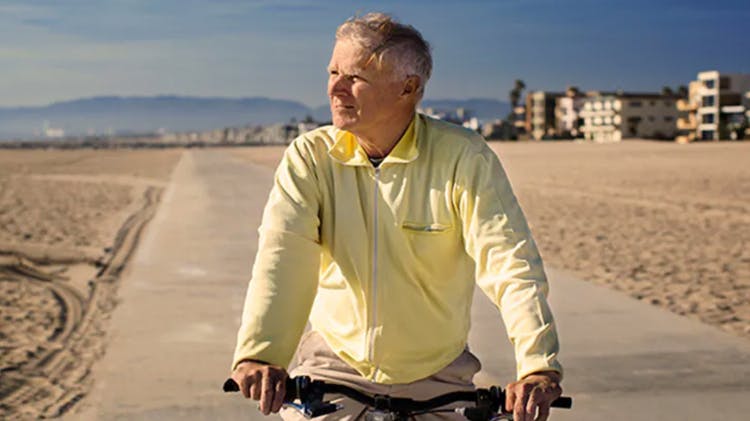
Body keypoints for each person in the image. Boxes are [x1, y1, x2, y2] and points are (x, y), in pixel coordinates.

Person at [230, 12, 563, 421]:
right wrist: (261, 355)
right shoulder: (310, 158)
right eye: (333, 72)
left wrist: (537, 365)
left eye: (355, 78)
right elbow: (282, 258)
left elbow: (510, 264)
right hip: (332, 367)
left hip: (439, 372)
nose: (335, 88)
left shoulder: (463, 157)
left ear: (409, 88)